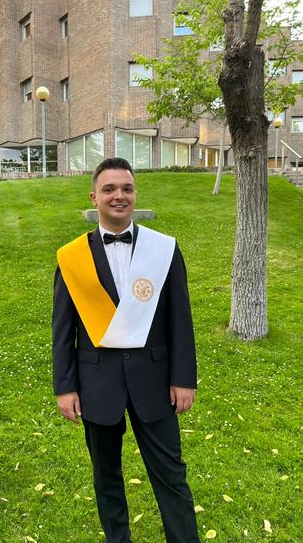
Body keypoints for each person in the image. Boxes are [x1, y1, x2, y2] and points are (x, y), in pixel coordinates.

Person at [52, 157, 200, 543]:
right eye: (109, 189)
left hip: (155, 380)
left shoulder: (163, 249)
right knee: (106, 477)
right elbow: (63, 329)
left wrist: (184, 378)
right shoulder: (71, 258)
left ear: (135, 194)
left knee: (171, 475)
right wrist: (64, 387)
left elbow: (180, 319)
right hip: (95, 383)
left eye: (127, 189)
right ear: (94, 197)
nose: (119, 196)